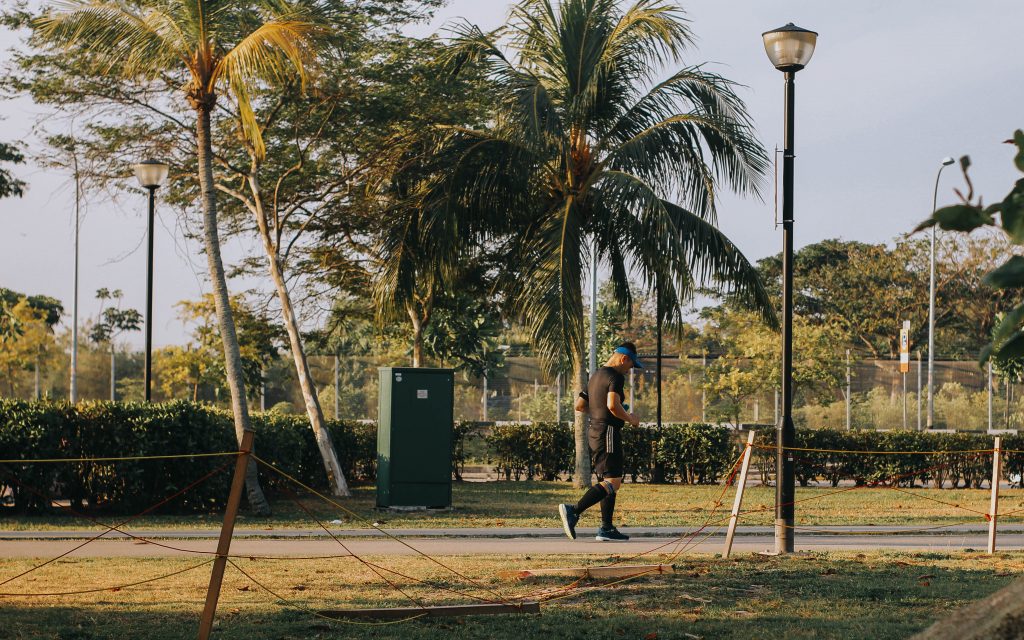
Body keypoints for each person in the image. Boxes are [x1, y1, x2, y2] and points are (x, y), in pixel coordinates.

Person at [559, 342, 642, 542]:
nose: (630, 369)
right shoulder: (615, 376)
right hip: (608, 433)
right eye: (630, 365)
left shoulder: (595, 376)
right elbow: (613, 405)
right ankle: (574, 510)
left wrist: (599, 412)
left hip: (594, 432)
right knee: (613, 481)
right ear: (624, 359)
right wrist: (630, 418)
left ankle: (606, 528)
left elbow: (580, 406)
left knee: (607, 481)